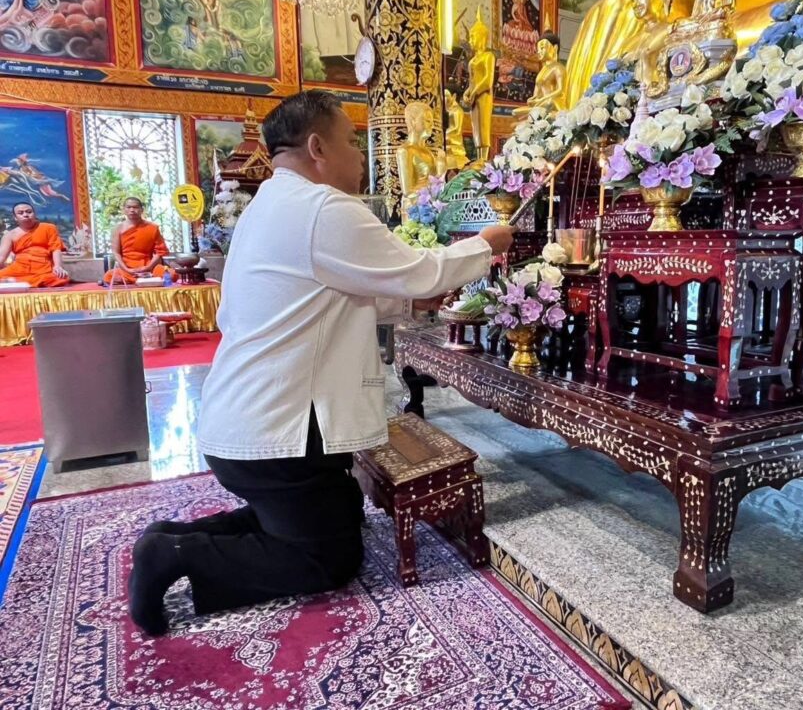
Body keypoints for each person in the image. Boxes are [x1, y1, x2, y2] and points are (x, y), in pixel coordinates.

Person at [128, 90, 515, 636]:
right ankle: (176, 557)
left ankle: (173, 536)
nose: (360, 156)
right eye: (352, 141)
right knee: (328, 558)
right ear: (317, 147)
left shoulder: (272, 204)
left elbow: (328, 293)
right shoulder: (323, 209)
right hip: (278, 430)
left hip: (250, 419)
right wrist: (486, 244)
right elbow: (421, 271)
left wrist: (410, 300)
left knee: (335, 513)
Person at [103, 197, 178, 285]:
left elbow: (159, 252)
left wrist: (148, 267)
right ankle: (145, 280)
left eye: (135, 207)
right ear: (124, 210)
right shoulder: (118, 228)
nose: (132, 210)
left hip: (150, 267)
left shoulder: (152, 227)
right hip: (127, 268)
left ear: (142, 210)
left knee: (172, 274)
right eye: (128, 207)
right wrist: (127, 269)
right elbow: (116, 252)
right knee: (109, 276)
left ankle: (138, 280)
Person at [0, 202, 70, 287]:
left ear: (34, 214)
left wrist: (58, 266)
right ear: (15, 217)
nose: (25, 215)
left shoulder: (49, 228)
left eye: (29, 212)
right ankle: (19, 281)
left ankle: (14, 281)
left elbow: (56, 249)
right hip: (20, 267)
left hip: (44, 267)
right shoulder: (9, 235)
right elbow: (1, 257)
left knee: (60, 278)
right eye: (20, 213)